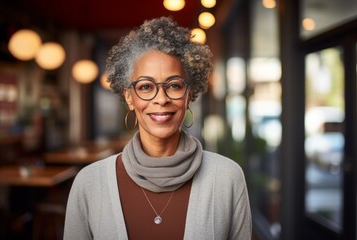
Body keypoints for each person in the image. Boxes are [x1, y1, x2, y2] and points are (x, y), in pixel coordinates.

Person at [63, 17, 251, 240]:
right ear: (129, 98)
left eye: (173, 85)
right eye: (145, 86)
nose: (161, 99)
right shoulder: (89, 183)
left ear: (189, 95)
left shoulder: (227, 177)